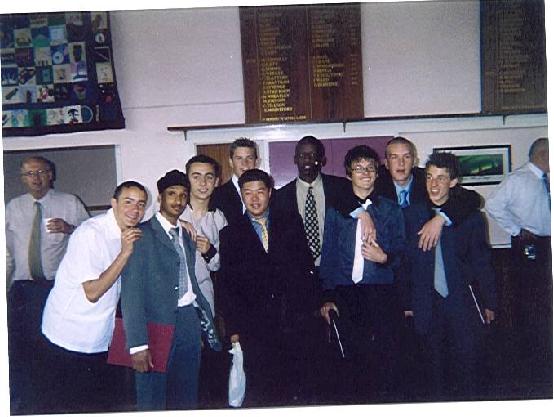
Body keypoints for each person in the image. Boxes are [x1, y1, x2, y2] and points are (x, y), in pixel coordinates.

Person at [41, 181, 147, 413]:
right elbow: (93, 292)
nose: (135, 210)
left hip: (100, 335)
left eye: (141, 204)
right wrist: (124, 253)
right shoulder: (90, 233)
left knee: (98, 404)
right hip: (69, 333)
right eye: (128, 202)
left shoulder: (130, 233)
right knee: (69, 405)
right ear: (114, 204)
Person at [121, 170, 220, 411]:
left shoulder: (186, 233)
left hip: (188, 320)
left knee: (186, 395)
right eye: (171, 194)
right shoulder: (140, 234)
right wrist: (137, 344)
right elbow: (131, 295)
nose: (178, 200)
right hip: (154, 324)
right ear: (160, 197)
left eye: (183, 195)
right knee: (152, 397)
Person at [219, 169, 319, 406]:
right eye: (248, 193)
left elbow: (305, 268)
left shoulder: (291, 223)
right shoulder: (230, 234)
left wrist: (308, 310)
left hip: (293, 322)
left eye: (260, 192)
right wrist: (234, 329)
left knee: (298, 387)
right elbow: (228, 286)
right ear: (241, 195)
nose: (254, 199)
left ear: (270, 193)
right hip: (255, 328)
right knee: (262, 389)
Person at [401, 152, 496, 400]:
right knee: (433, 374)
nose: (433, 184)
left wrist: (489, 302)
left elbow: (481, 261)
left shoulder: (470, 218)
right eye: (429, 177)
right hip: (426, 302)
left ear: (453, 182)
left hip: (461, 301)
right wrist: (407, 303)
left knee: (468, 368)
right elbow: (406, 264)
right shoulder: (412, 215)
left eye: (441, 178)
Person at [319, 145, 405, 401]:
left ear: (378, 173)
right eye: (358, 168)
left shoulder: (391, 210)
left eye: (370, 168)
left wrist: (384, 258)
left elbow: (403, 253)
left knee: (383, 357)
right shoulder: (336, 211)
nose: (365, 173)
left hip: (381, 290)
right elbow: (329, 253)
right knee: (351, 357)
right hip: (346, 291)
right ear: (349, 174)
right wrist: (327, 296)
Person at [5, 156, 89, 414]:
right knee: (23, 350)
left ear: (51, 174)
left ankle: (60, 404)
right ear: (22, 178)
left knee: (56, 348)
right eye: (29, 174)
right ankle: (29, 406)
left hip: (56, 289)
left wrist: (70, 228)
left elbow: (91, 237)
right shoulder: (12, 207)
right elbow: (6, 251)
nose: (35, 178)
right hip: (23, 290)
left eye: (41, 172)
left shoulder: (69, 202)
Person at [485, 137, 551, 386]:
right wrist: (516, 230)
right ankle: (529, 358)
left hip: (548, 244)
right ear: (543, 154)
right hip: (529, 245)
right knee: (530, 300)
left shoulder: (545, 180)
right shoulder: (518, 179)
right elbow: (493, 205)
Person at [376, 136, 482, 250]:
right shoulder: (377, 183)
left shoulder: (428, 179)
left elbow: (472, 198)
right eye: (394, 157)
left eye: (406, 157)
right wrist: (363, 213)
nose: (401, 163)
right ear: (386, 163)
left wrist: (441, 218)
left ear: (414, 161)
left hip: (422, 250)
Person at [181, 155, 228, 407]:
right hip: (175, 302)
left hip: (206, 298)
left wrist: (210, 250)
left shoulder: (219, 219)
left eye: (209, 177)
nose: (203, 183)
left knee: (208, 362)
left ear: (217, 181)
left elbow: (221, 265)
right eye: (196, 176)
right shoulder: (174, 213)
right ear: (188, 179)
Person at [210, 137, 259, 226]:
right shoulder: (216, 195)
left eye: (249, 158)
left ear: (256, 161)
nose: (244, 163)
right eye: (239, 158)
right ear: (231, 162)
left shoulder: (269, 195)